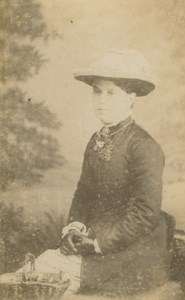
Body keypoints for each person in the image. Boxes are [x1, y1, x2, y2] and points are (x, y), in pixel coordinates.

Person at [0, 49, 176, 298]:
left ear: (131, 97)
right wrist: (74, 228)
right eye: (97, 91)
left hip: (133, 250)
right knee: (24, 277)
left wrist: (96, 244)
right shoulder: (96, 140)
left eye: (111, 92)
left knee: (31, 283)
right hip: (96, 238)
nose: (101, 100)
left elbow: (145, 214)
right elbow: (84, 194)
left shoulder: (144, 146)